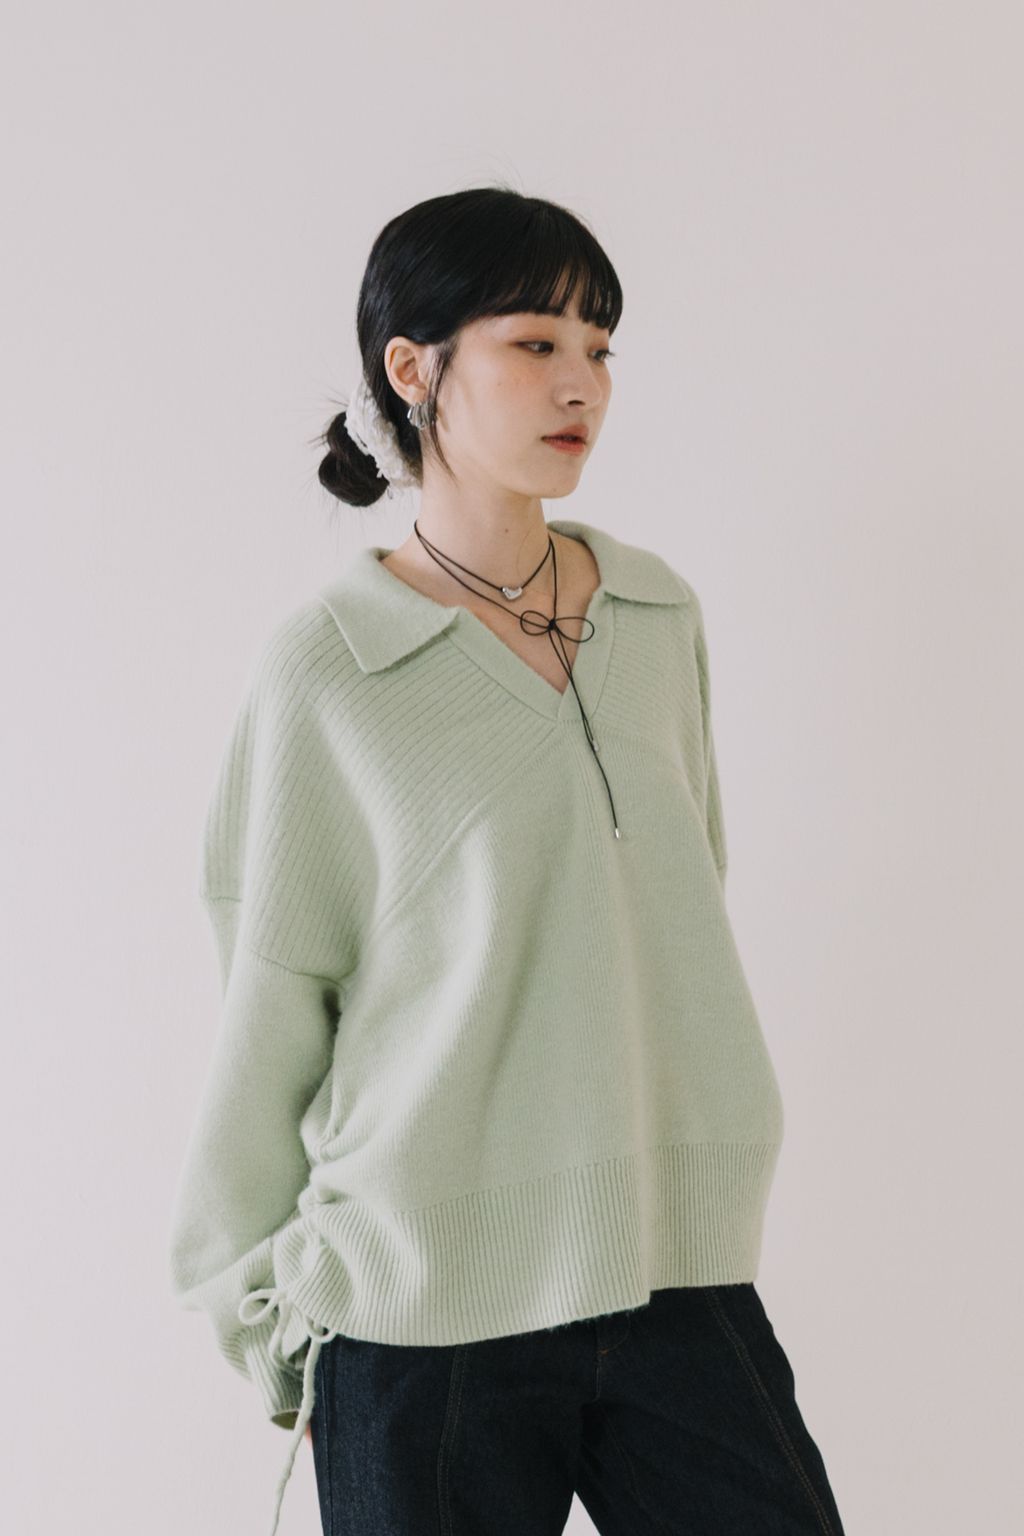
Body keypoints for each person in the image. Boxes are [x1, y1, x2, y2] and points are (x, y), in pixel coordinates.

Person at [168, 185, 846, 1536]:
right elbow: (272, 991)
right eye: (535, 342)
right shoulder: (331, 666)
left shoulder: (654, 614)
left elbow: (680, 903)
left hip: (673, 1270)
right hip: (420, 1306)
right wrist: (258, 1301)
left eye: (599, 347)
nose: (581, 383)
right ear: (413, 369)